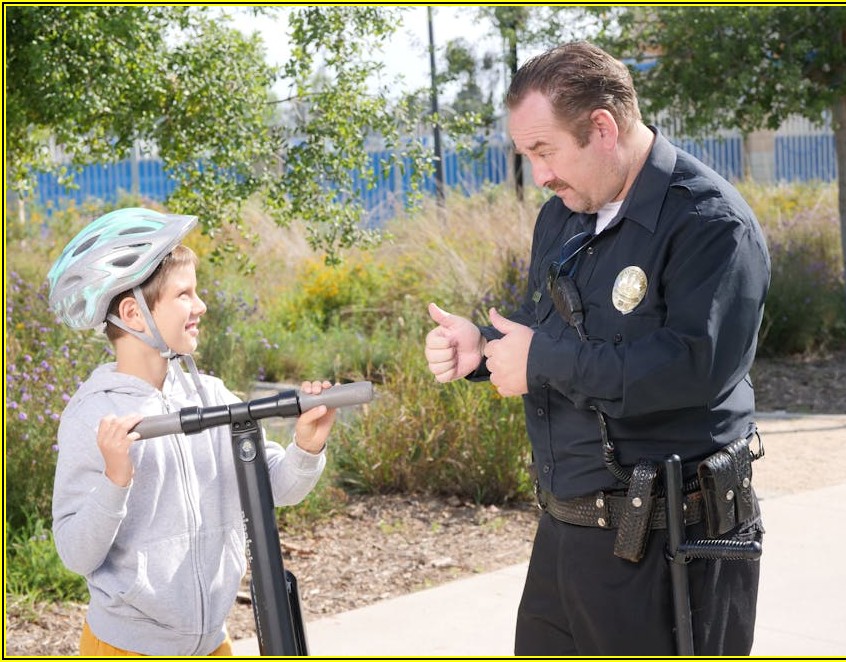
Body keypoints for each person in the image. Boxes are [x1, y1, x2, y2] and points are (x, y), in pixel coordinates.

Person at [424, 42, 770, 656]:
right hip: (568, 534)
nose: (540, 175)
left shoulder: (711, 224)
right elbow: (547, 331)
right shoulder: (565, 214)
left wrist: (542, 360)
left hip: (674, 542)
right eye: (528, 155)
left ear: (602, 128)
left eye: (544, 150)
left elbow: (695, 369)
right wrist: (485, 348)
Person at [47, 207, 338, 656]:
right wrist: (115, 480)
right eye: (184, 294)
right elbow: (75, 553)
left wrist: (306, 445)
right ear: (134, 313)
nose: (200, 305)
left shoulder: (211, 395)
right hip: (127, 648)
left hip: (211, 643)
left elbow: (276, 487)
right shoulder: (95, 415)